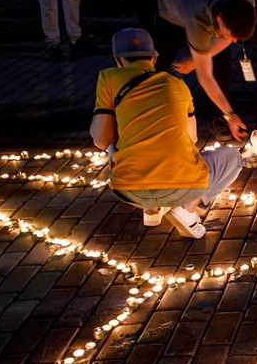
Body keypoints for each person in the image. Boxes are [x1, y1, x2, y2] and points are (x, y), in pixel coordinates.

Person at [91, 28, 245, 239]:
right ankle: (186, 209)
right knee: (233, 157)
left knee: (123, 144)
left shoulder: (108, 78)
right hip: (184, 187)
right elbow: (191, 138)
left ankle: (152, 211)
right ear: (154, 59)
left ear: (117, 59)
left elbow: (101, 140)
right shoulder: (177, 84)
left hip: (128, 189)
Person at [155, 0, 257, 140]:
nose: (234, 41)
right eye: (231, 35)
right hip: (166, 2)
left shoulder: (246, 2)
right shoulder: (197, 18)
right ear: (219, 20)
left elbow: (228, 38)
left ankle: (217, 117)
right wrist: (230, 114)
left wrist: (197, 60)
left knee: (221, 59)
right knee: (159, 59)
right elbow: (205, 77)